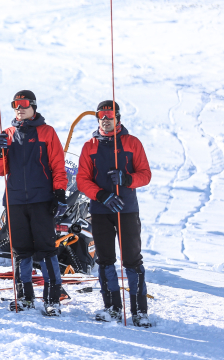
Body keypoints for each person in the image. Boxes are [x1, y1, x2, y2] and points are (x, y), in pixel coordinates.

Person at [76, 100, 152, 327]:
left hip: (127, 210)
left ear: (117, 117)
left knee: (131, 259)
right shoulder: (89, 146)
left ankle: (139, 311)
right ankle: (112, 308)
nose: (106, 119)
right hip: (101, 211)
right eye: (101, 115)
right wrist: (101, 196)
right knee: (105, 260)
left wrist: (127, 179)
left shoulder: (132, 143)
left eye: (110, 115)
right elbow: (82, 180)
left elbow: (145, 174)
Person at [0, 90, 67, 315]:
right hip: (14, 201)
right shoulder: (8, 133)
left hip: (41, 200)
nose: (19, 108)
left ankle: (52, 299)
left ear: (33, 106)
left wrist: (59, 193)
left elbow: (57, 166)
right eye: (16, 104)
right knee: (21, 250)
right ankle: (24, 297)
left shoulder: (47, 132)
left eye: (24, 104)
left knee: (45, 250)